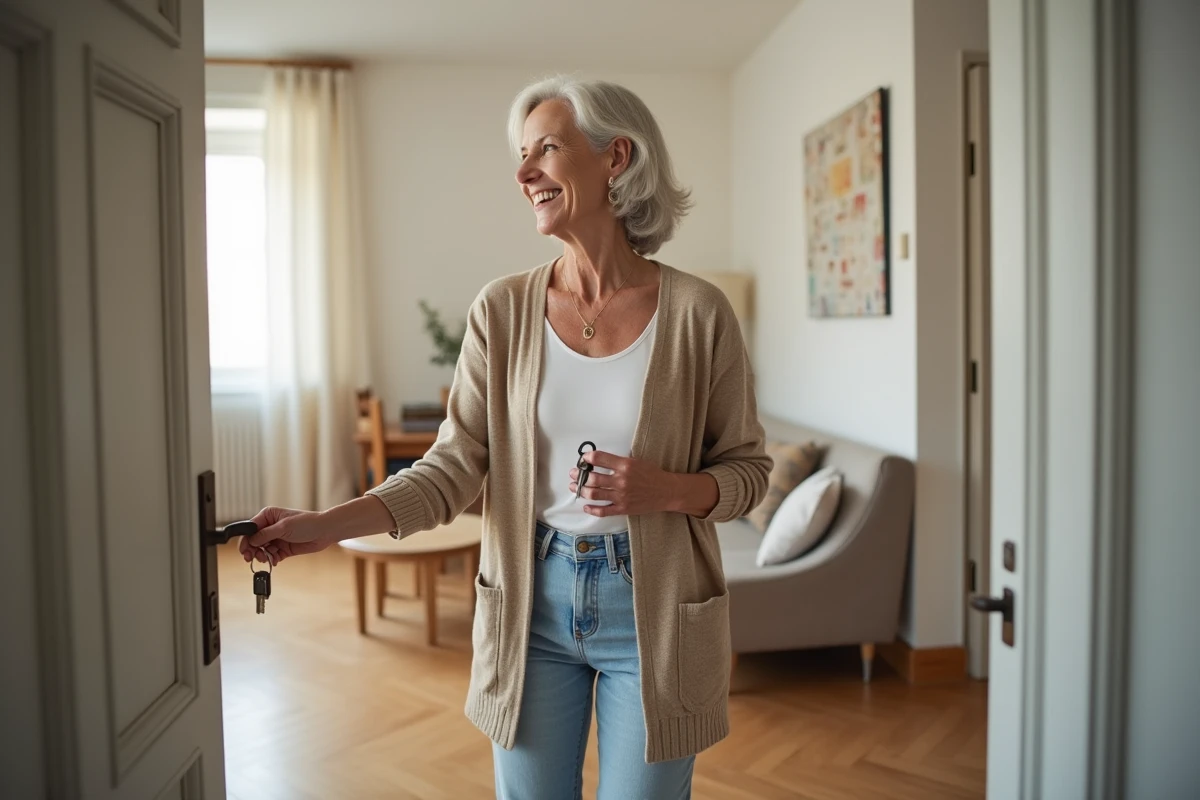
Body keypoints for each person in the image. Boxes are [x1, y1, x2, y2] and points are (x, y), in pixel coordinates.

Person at [240, 75, 772, 800]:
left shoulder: (699, 314)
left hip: (657, 612)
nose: (523, 174)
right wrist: (325, 526)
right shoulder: (502, 309)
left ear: (615, 158)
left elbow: (748, 472)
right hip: (532, 602)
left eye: (546, 150)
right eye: (522, 155)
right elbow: (452, 468)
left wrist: (668, 489)